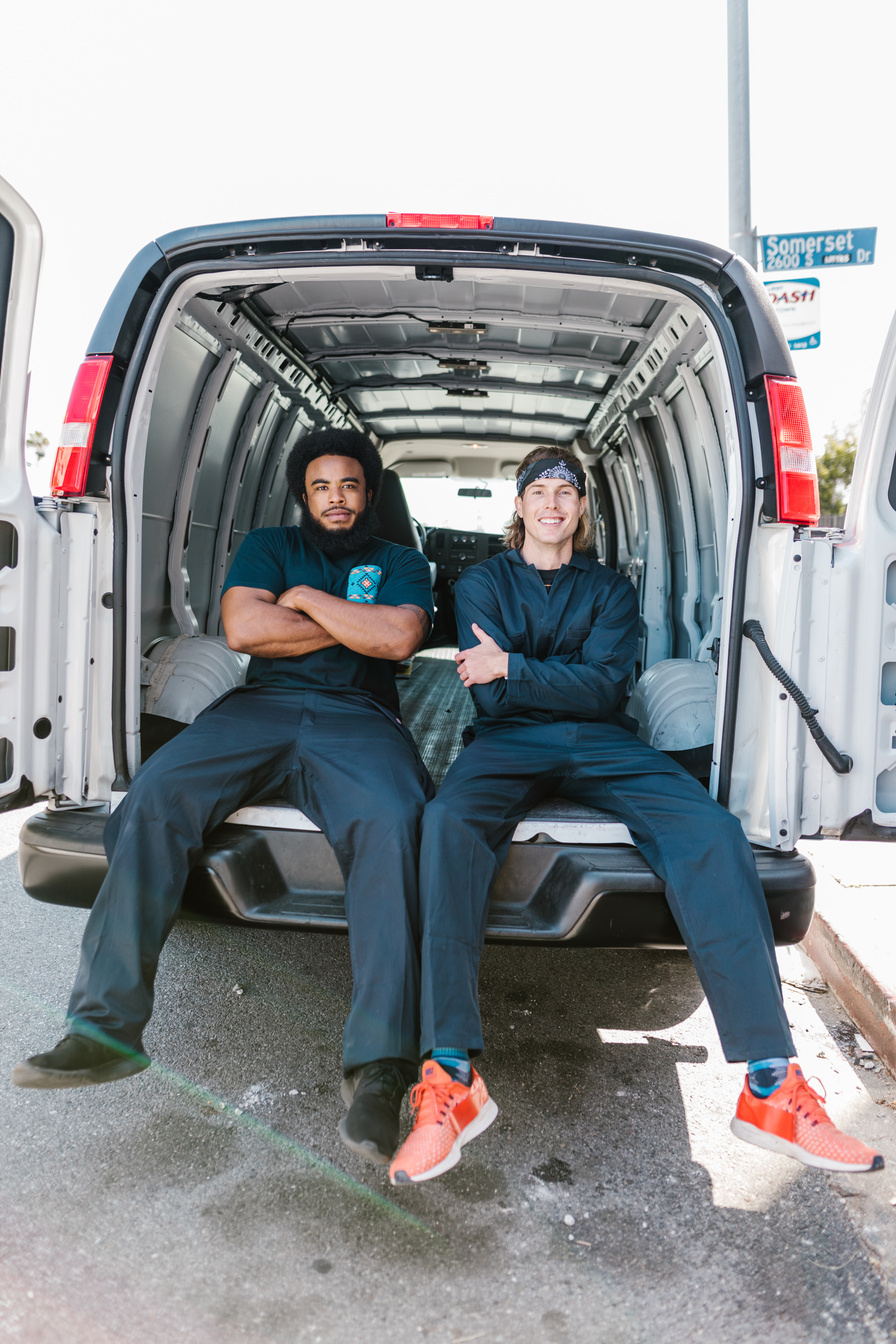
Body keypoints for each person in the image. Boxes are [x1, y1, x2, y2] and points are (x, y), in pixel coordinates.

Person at [387, 444, 885, 1185]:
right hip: (504, 742)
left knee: (711, 830)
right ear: (518, 506)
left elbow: (601, 690)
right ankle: (451, 1077)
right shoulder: (484, 582)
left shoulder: (610, 589)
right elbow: (490, 699)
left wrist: (516, 667)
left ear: (582, 509)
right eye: (539, 491)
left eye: (567, 491)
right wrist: (544, 681)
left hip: (603, 742)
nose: (553, 503)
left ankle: (771, 1087)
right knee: (447, 823)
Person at [14, 428, 435, 1168]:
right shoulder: (268, 547)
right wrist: (344, 624)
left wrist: (301, 606)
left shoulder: (401, 561)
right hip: (257, 709)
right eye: (321, 486)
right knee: (154, 794)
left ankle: (380, 1070)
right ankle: (103, 1029)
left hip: (360, 720)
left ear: (369, 493)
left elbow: (399, 639)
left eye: (350, 485)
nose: (336, 498)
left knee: (396, 821)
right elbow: (245, 627)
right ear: (304, 495)